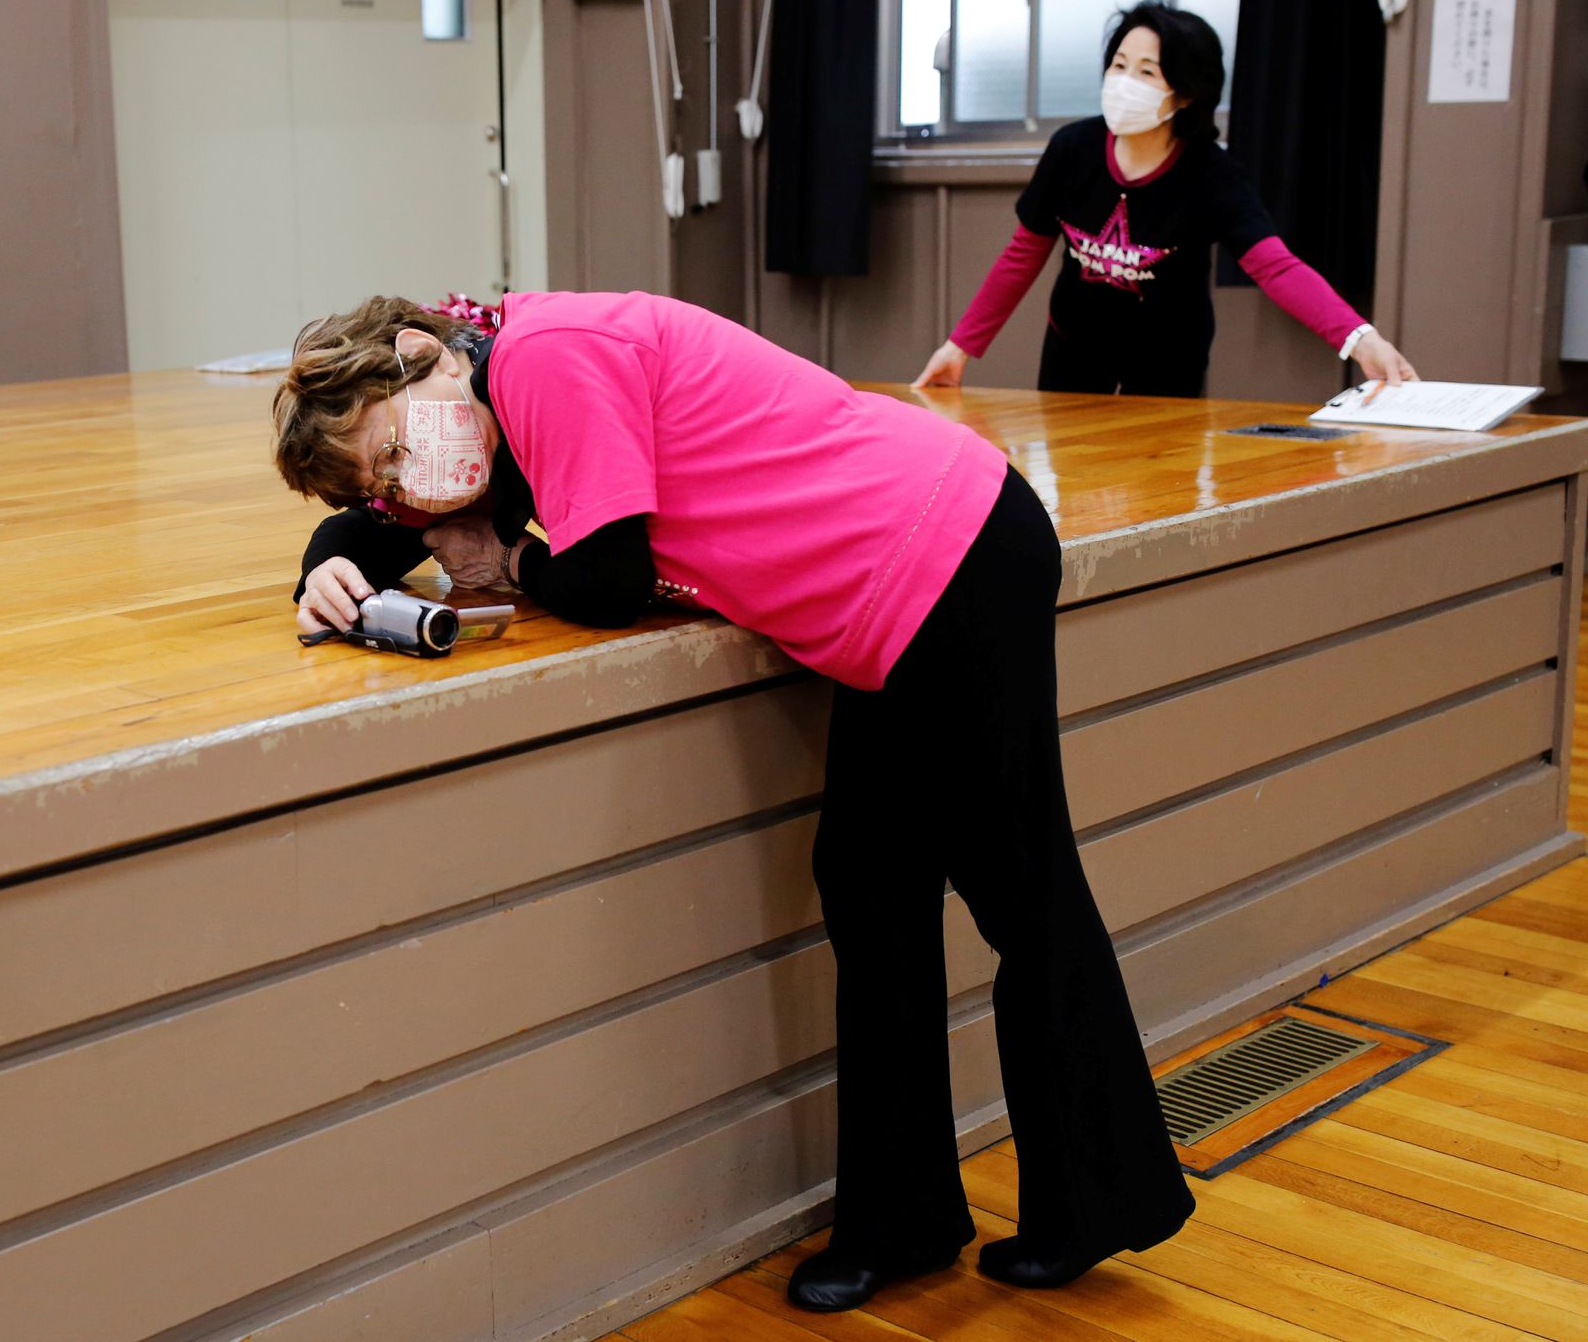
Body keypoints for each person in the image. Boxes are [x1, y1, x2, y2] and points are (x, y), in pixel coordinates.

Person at [273, 289, 1196, 1313]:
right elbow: (377, 530)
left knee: (1021, 890)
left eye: (392, 448)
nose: (407, 483)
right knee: (870, 887)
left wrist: (513, 562)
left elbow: (609, 574)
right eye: (383, 476)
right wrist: (338, 573)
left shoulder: (543, 357)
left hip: (950, 551)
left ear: (419, 355)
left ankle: (1099, 1200)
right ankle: (906, 1220)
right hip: (893, 595)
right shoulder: (483, 401)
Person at [914, 0, 1416, 400]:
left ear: (1186, 94)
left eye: (1147, 73)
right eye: (1118, 64)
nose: (1124, 82)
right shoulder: (1072, 149)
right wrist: (960, 347)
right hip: (1074, 344)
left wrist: (1358, 338)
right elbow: (1023, 254)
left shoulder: (1213, 174)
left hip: (1168, 358)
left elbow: (1276, 268)